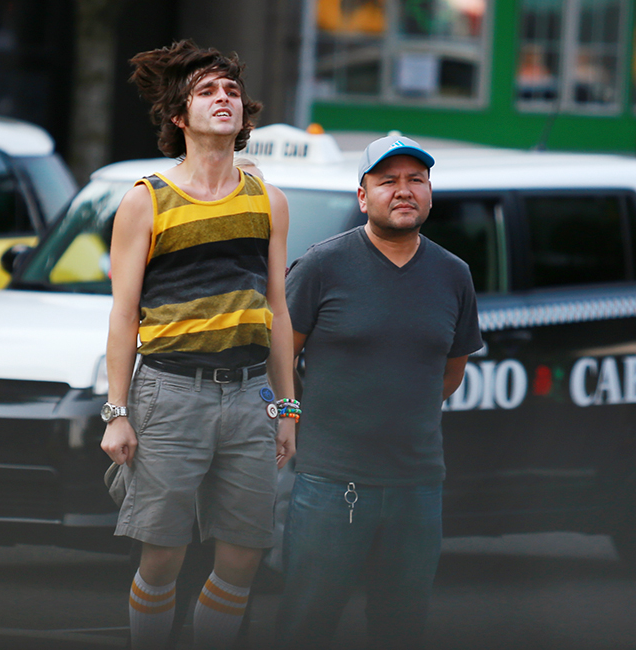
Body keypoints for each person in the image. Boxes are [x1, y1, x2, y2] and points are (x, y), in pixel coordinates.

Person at [100, 40, 297, 650]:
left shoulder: (268, 199)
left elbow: (277, 309)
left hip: (250, 396)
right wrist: (116, 411)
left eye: (232, 90)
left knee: (243, 558)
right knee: (162, 556)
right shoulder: (145, 198)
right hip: (169, 392)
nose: (224, 98)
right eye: (207, 91)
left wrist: (288, 408)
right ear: (178, 116)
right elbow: (123, 314)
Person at [276, 135, 483, 649]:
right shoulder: (322, 265)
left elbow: (450, 373)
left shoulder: (454, 274)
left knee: (401, 628)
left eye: (416, 180)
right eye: (388, 181)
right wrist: (293, 416)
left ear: (430, 193)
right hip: (330, 484)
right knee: (305, 626)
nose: (404, 190)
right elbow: (280, 358)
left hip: (418, 485)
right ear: (363, 196)